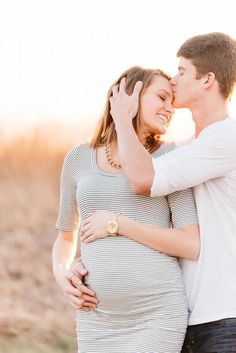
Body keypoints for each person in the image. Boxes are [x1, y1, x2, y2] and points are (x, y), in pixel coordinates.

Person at [81, 32, 236, 353]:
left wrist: (122, 117)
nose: (174, 80)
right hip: (188, 316)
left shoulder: (225, 139)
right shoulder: (189, 150)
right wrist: (76, 267)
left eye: (181, 71)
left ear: (207, 80)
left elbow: (141, 180)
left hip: (224, 317)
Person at [52, 66, 200, 353]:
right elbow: (66, 236)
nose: (170, 109)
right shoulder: (78, 158)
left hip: (157, 316)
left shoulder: (170, 159)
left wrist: (117, 223)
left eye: (172, 102)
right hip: (97, 319)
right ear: (132, 96)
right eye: (161, 98)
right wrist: (63, 274)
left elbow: (190, 243)